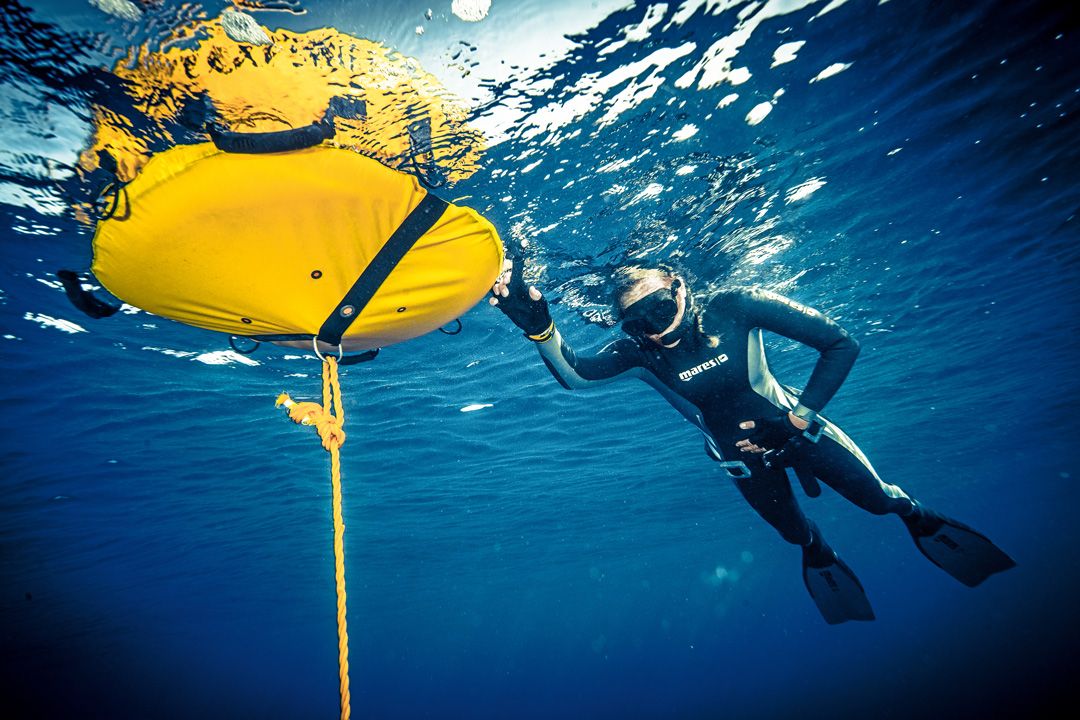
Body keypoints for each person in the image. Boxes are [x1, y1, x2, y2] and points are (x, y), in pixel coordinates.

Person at [490, 259, 1015, 624]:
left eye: (655, 309)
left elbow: (839, 343)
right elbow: (578, 376)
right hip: (742, 465)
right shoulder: (640, 354)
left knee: (878, 503)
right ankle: (818, 550)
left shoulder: (735, 307)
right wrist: (540, 329)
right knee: (795, 538)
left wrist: (798, 418)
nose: (654, 329)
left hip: (802, 435)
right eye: (636, 322)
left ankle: (912, 513)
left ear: (678, 286)